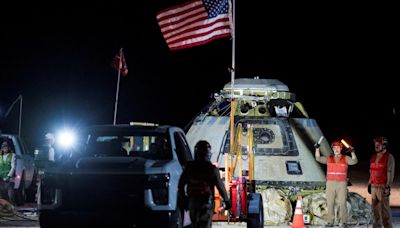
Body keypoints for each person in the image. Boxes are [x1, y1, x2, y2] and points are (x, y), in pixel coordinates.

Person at [179, 140, 231, 228]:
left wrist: (185, 201)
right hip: (206, 203)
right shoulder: (212, 169)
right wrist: (227, 201)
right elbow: (220, 186)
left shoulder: (189, 167)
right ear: (208, 153)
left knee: (194, 225)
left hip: (192, 202)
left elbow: (180, 186)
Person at [315, 140, 358, 227]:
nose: (336, 149)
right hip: (330, 183)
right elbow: (318, 158)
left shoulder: (345, 158)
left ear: (341, 149)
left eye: (338, 148)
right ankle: (330, 222)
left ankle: (343, 222)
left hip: (341, 183)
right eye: (334, 148)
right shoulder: (329, 158)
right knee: (330, 202)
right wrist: (317, 149)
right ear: (333, 149)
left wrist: (352, 152)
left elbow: (354, 161)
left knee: (342, 202)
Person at [368, 136, 395, 228]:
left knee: (384, 210)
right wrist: (369, 184)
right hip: (374, 186)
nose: (376, 146)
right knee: (375, 210)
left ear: (384, 145)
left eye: (378, 144)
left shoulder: (389, 157)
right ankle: (377, 226)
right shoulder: (373, 157)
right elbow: (371, 171)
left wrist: (388, 186)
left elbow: (390, 172)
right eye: (375, 144)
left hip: (382, 186)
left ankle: (388, 226)